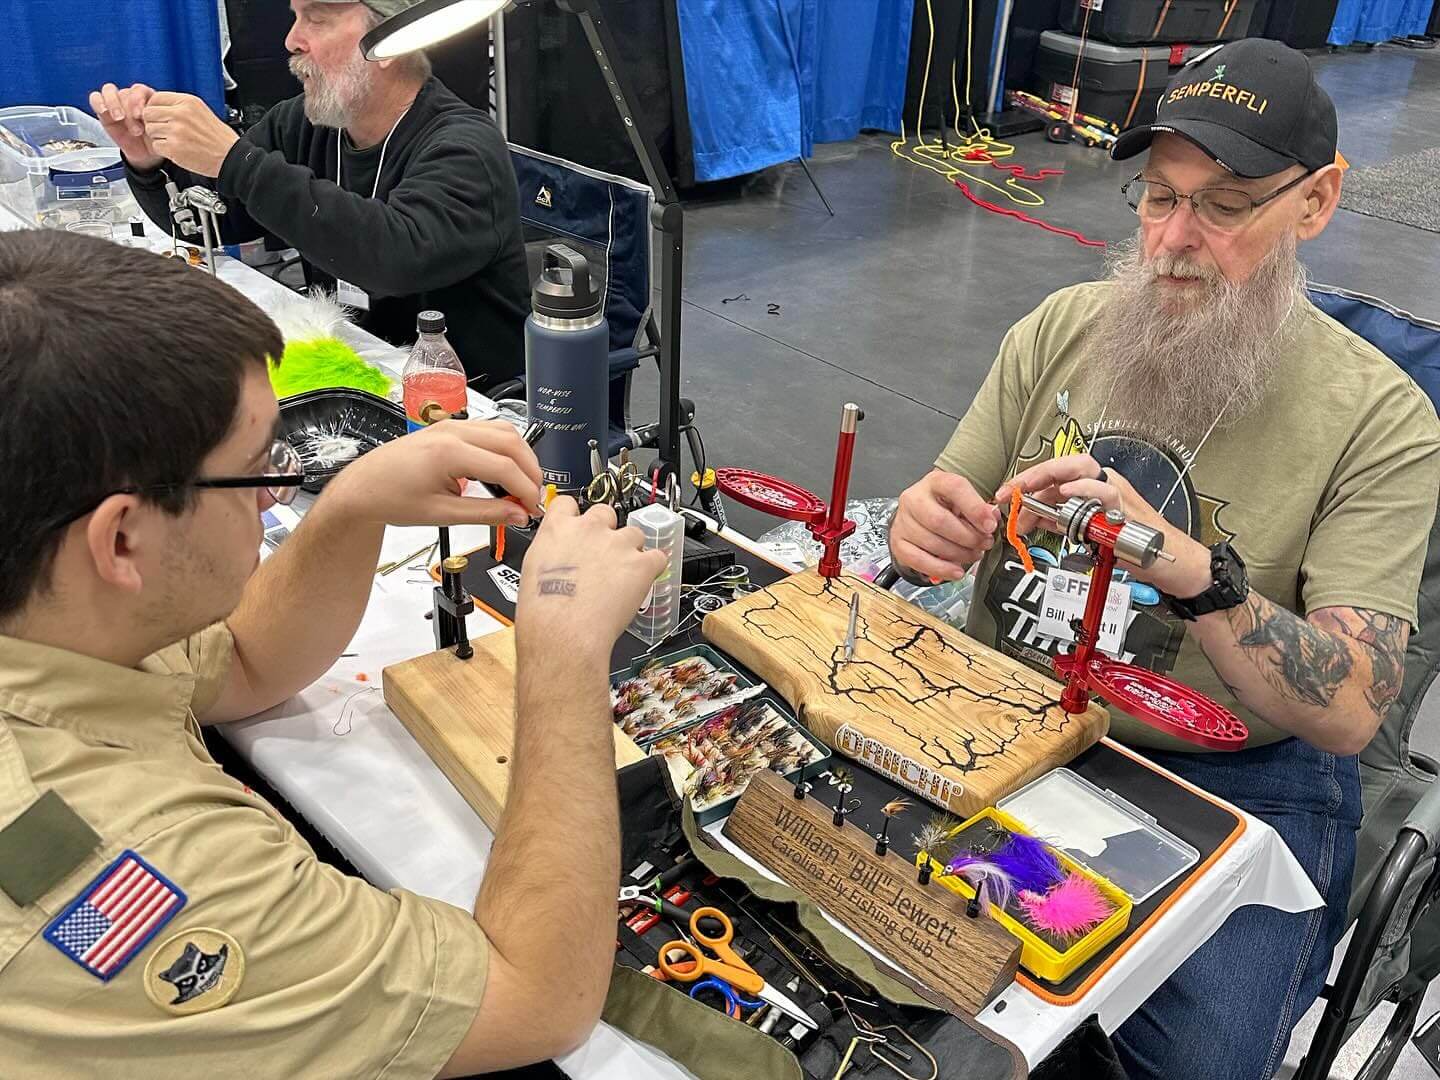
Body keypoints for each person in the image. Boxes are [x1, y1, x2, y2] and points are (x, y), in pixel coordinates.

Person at [887, 39, 1440, 1080]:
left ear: (1316, 203)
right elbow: (939, 505)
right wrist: (927, 525)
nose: (1176, 240)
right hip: (1009, 715)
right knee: (871, 957)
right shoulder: (1066, 326)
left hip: (1233, 775)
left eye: (1225, 206)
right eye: (1157, 197)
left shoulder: (1382, 418)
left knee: (1181, 1064)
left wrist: (1196, 570)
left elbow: (1352, 708)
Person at [0, 229, 665, 1077]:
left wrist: (352, 504)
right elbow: (537, 1000)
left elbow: (241, 664)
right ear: (122, 541)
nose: (280, 493)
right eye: (254, 473)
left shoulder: (54, 612)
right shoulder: (143, 875)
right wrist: (565, 653)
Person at [91, 0, 530, 391]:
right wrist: (148, 161)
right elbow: (212, 217)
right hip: (344, 373)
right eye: (295, 17)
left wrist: (235, 161)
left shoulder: (465, 147)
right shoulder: (303, 125)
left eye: (316, 19)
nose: (291, 40)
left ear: (389, 40)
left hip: (462, 405)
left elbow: (395, 257)